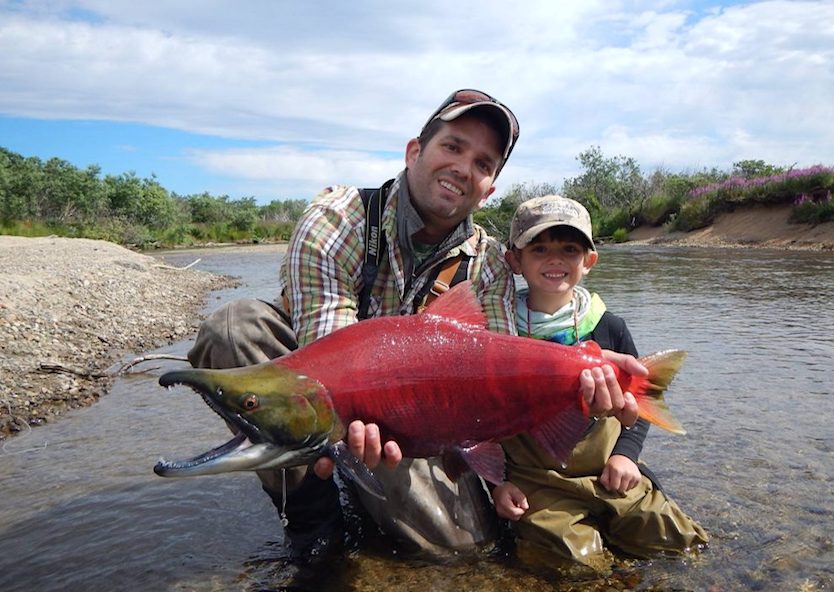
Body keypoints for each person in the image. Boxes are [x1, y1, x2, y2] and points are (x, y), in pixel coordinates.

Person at [187, 90, 646, 561]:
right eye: (452, 147)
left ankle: (367, 491)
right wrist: (342, 436)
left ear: (488, 189)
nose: (463, 168)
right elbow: (326, 356)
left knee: (464, 549)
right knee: (234, 326)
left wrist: (585, 372)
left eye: (483, 163)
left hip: (419, 421)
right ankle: (311, 518)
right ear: (414, 152)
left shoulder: (488, 265)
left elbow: (500, 386)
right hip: (335, 397)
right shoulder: (338, 220)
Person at [492, 195, 709, 565]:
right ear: (515, 261)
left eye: (569, 249)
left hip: (608, 473)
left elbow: (638, 406)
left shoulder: (609, 327)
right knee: (571, 562)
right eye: (539, 248)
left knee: (677, 539)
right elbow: (480, 420)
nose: (555, 260)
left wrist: (626, 455)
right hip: (536, 481)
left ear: (588, 261)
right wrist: (496, 484)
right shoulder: (499, 330)